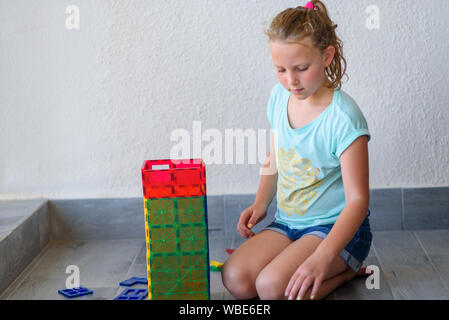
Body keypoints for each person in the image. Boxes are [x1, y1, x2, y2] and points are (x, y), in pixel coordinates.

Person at [222, 0, 373, 300]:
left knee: (271, 289)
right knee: (235, 279)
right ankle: (306, 261)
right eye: (280, 69)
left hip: (335, 229)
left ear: (327, 55)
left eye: (301, 69)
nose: (291, 80)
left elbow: (358, 200)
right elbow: (277, 153)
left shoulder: (343, 118)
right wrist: (261, 202)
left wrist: (323, 256)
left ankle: (346, 268)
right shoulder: (280, 99)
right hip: (288, 223)